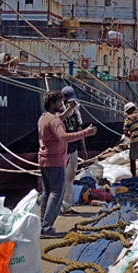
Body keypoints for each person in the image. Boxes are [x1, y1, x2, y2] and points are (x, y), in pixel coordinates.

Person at [38, 90, 96, 238]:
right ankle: (47, 227)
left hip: (44, 160)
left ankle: (41, 223)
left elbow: (57, 119)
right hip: (55, 160)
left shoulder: (44, 118)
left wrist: (70, 109)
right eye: (59, 102)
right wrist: (85, 133)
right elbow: (63, 137)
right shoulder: (54, 121)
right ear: (53, 103)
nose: (62, 104)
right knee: (57, 193)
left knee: (47, 192)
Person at [60, 86, 86, 215]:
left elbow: (79, 130)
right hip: (61, 151)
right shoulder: (58, 112)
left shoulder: (76, 112)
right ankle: (58, 206)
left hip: (73, 149)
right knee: (60, 180)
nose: (70, 103)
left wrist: (84, 149)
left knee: (70, 179)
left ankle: (66, 206)